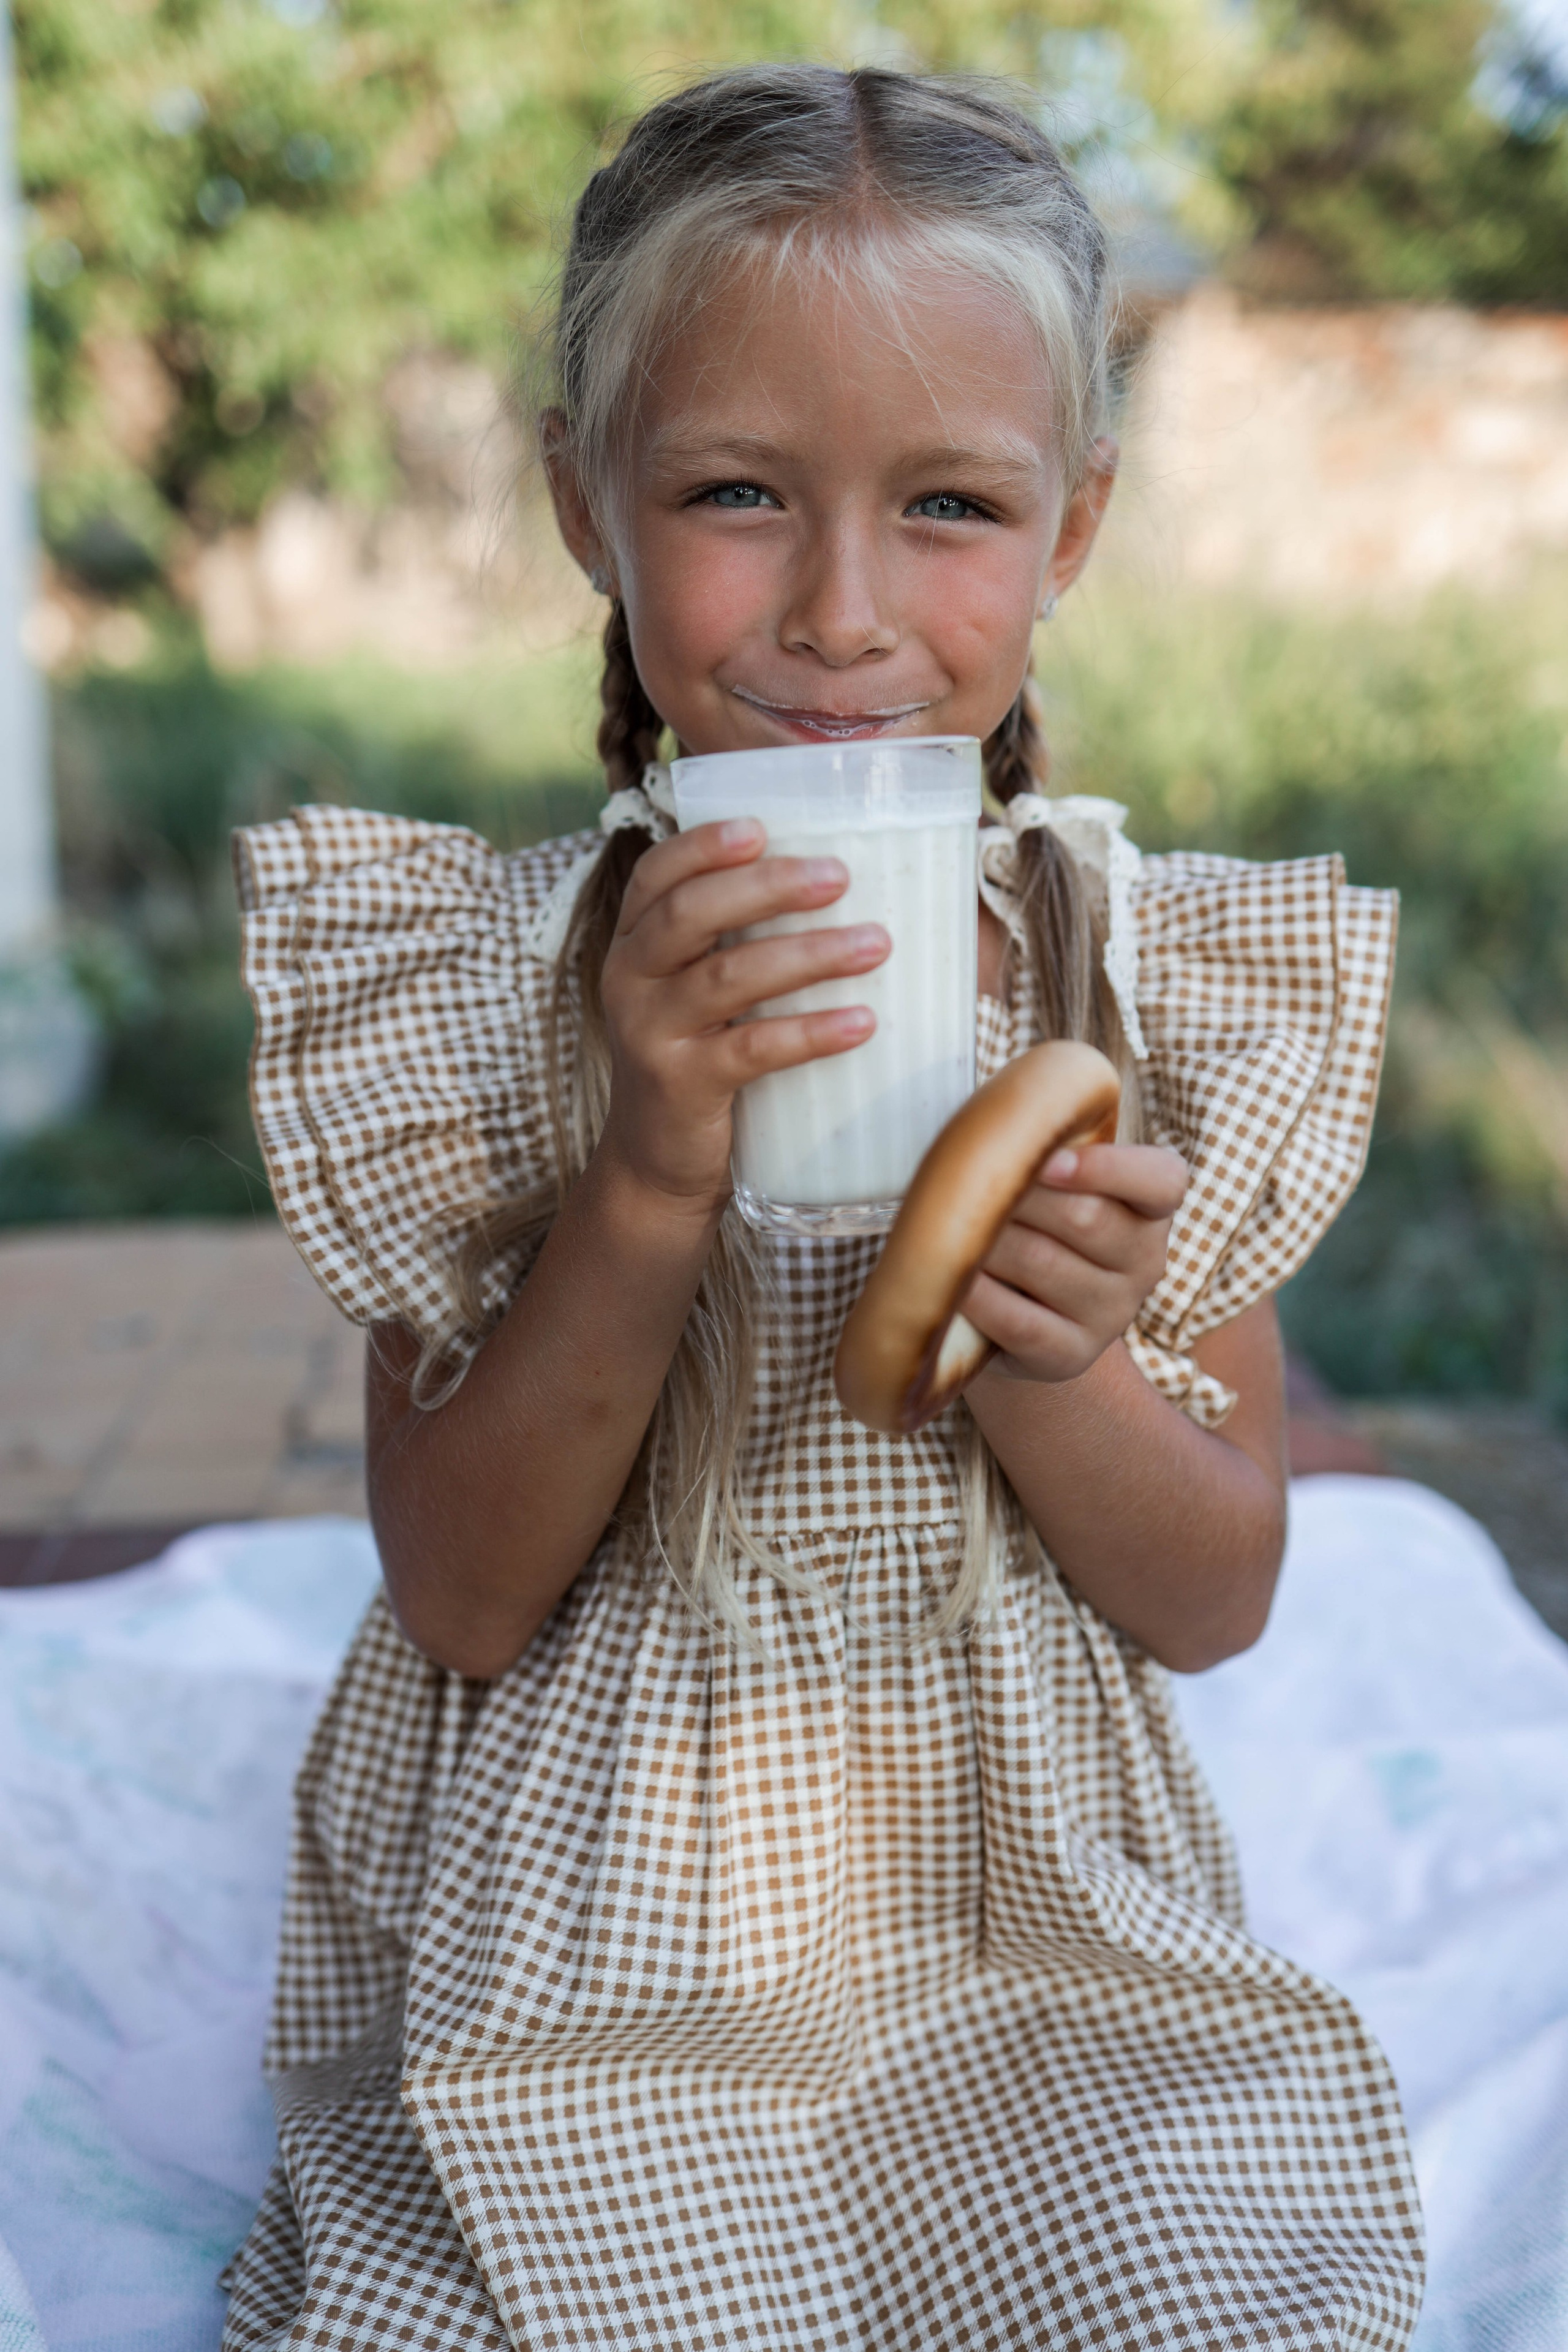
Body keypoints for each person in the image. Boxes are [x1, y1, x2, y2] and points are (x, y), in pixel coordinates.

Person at [222, 64, 1423, 2350]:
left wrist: (1059, 1356)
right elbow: (468, 1596)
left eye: (952, 504)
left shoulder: (1145, 989)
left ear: (1072, 531)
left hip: (1019, 1899)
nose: (845, 613)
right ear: (589, 506)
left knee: (1208, 2284)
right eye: (738, 495)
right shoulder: (485, 993)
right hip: (614, 1893)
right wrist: (654, 1171)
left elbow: (1217, 1598)